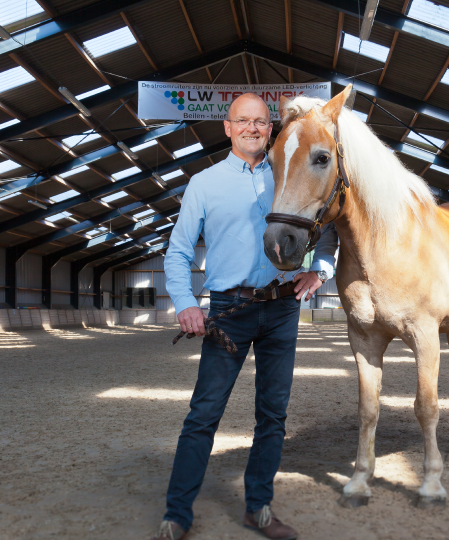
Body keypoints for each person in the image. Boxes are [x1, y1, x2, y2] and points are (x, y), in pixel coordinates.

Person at [154, 93, 338, 540]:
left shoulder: (290, 172)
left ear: (270, 128)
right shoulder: (205, 183)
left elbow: (330, 225)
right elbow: (177, 253)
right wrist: (185, 303)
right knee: (204, 414)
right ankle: (178, 514)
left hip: (281, 308)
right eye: (243, 121)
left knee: (272, 417)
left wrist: (321, 271)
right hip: (228, 312)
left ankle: (259, 508)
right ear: (228, 127)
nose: (253, 128)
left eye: (260, 121)